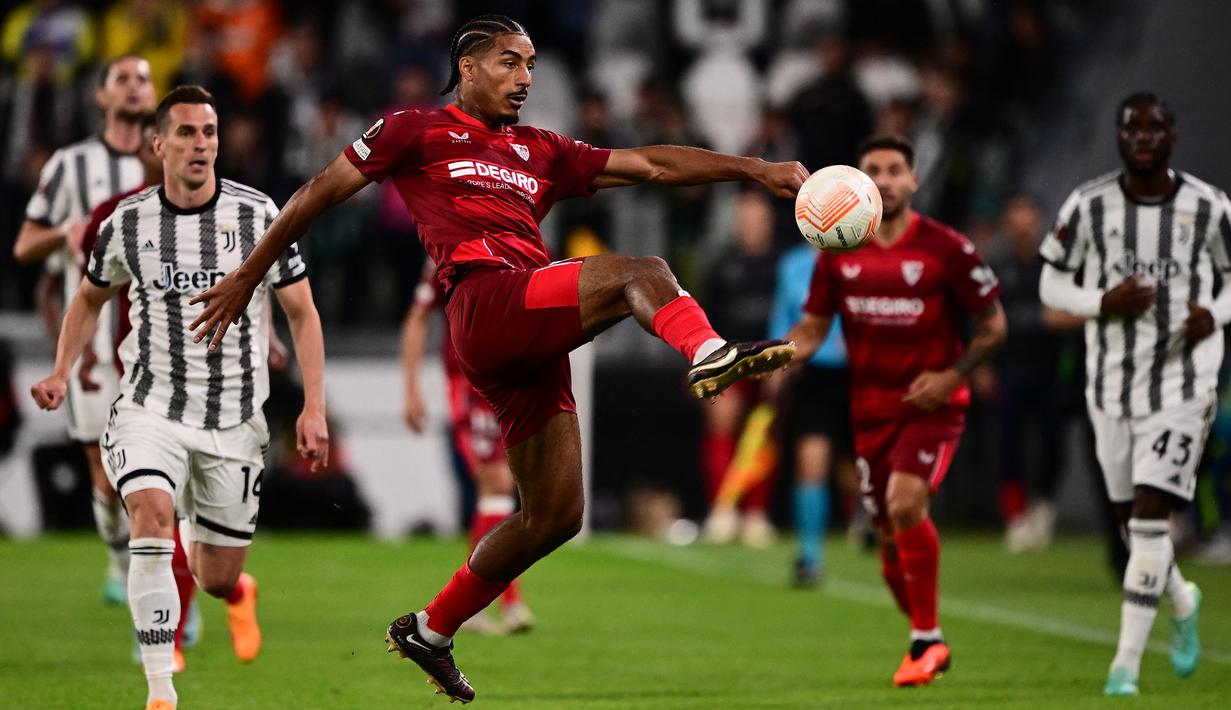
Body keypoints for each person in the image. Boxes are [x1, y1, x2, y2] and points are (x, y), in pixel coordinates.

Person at [187, 15, 804, 703]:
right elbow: (315, 195)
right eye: (510, 62)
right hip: (484, 304)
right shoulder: (411, 130)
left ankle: (432, 628)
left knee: (554, 515)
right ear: (469, 66)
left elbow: (652, 163)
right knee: (643, 270)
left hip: (526, 331)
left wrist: (753, 167)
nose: (526, 78)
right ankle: (708, 352)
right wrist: (249, 274)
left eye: (532, 65)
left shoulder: (539, 149)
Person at [30, 85, 329, 710]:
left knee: (215, 576)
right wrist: (60, 370)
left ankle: (236, 588)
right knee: (149, 515)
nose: (202, 145)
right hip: (150, 407)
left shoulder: (258, 216)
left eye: (210, 132)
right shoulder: (126, 223)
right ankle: (160, 690)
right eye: (188, 133)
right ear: (158, 143)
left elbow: (301, 312)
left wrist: (313, 406)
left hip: (234, 419)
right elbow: (88, 298)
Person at [784, 134, 1007, 687]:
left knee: (905, 503)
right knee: (888, 549)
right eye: (873, 170)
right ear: (859, 181)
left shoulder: (947, 248)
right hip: (870, 412)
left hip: (932, 404)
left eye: (894, 170)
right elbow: (812, 329)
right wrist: (776, 357)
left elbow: (994, 326)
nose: (884, 179)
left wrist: (953, 376)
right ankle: (928, 636)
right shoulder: (837, 252)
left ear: (912, 180)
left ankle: (925, 641)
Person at [1038, 92, 1218, 697]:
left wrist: (1215, 314)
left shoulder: (1210, 207)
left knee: (1148, 520)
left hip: (1183, 384)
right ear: (1118, 137)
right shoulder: (1089, 206)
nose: (1143, 136)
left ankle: (1125, 666)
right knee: (1128, 524)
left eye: (1154, 127)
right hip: (1110, 387)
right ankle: (1181, 598)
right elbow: (1051, 282)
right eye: (1131, 127)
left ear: (1173, 135)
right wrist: (1100, 302)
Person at [13, 54, 156, 605]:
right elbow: (26, 246)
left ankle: (168, 582)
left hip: (157, 343)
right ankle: (122, 564)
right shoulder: (70, 166)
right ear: (101, 96)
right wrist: (66, 231)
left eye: (143, 79)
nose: (135, 88)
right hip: (95, 347)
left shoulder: (172, 160)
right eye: (122, 78)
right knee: (104, 473)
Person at [402, 258, 535, 635]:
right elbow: (417, 317)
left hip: (508, 380)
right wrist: (411, 387)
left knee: (502, 488)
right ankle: (504, 602)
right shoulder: (447, 256)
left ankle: (477, 602)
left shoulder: (525, 248)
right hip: (468, 383)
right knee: (497, 484)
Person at [767, 238, 856, 587]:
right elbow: (782, 315)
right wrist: (777, 358)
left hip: (862, 374)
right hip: (814, 375)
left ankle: (874, 531)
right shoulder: (794, 264)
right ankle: (809, 556)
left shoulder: (868, 259)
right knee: (812, 461)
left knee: (860, 469)